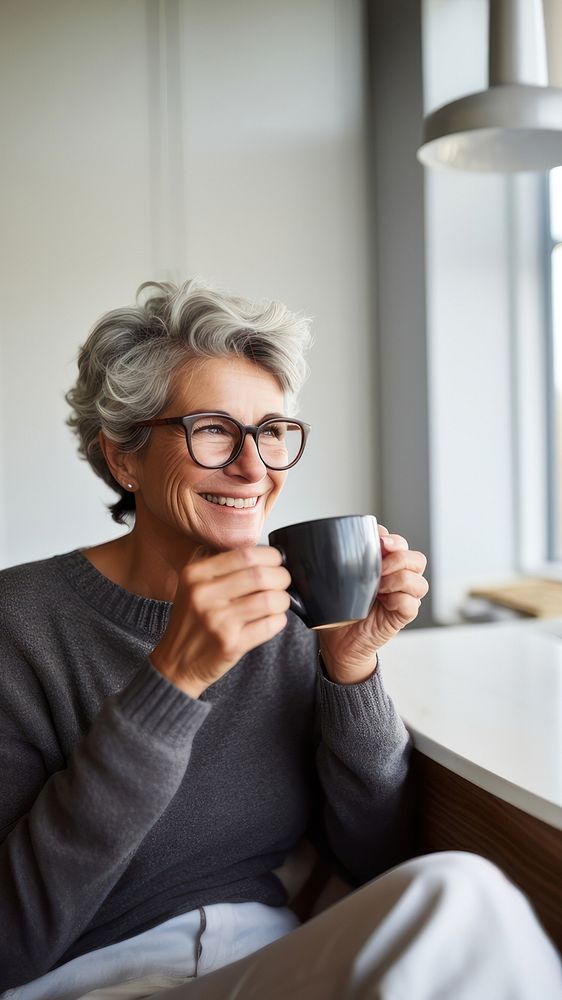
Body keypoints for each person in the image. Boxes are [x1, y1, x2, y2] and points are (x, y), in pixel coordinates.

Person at [0, 279, 559, 1000]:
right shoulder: (21, 624)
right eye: (211, 429)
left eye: (270, 431)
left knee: (457, 899)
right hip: (87, 981)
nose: (254, 467)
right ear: (123, 458)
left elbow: (371, 856)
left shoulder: (293, 610)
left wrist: (350, 666)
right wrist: (170, 684)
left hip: (274, 962)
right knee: (461, 895)